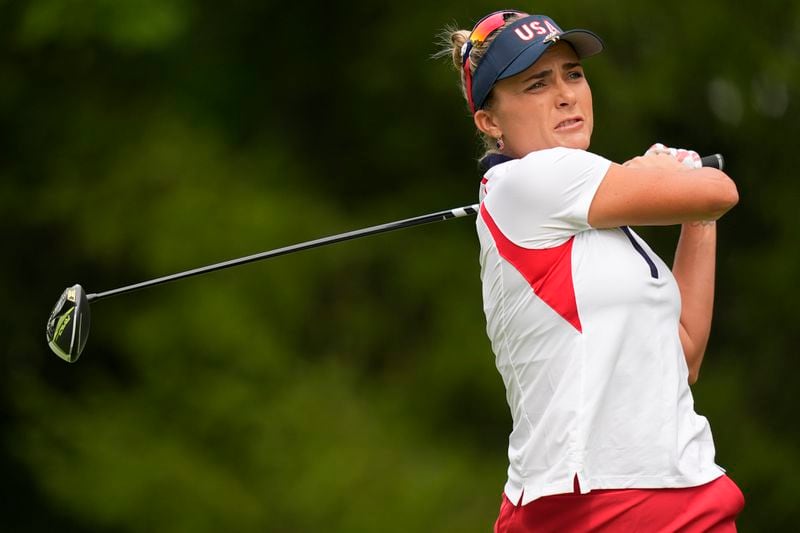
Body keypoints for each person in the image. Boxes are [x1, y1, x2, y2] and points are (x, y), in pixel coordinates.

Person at [441, 10, 744, 532]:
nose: (565, 94)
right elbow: (723, 189)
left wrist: (697, 215)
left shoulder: (605, 228)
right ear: (489, 123)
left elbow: (684, 353)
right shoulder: (530, 180)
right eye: (537, 84)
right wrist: (671, 176)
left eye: (573, 74)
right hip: (598, 501)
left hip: (683, 489)